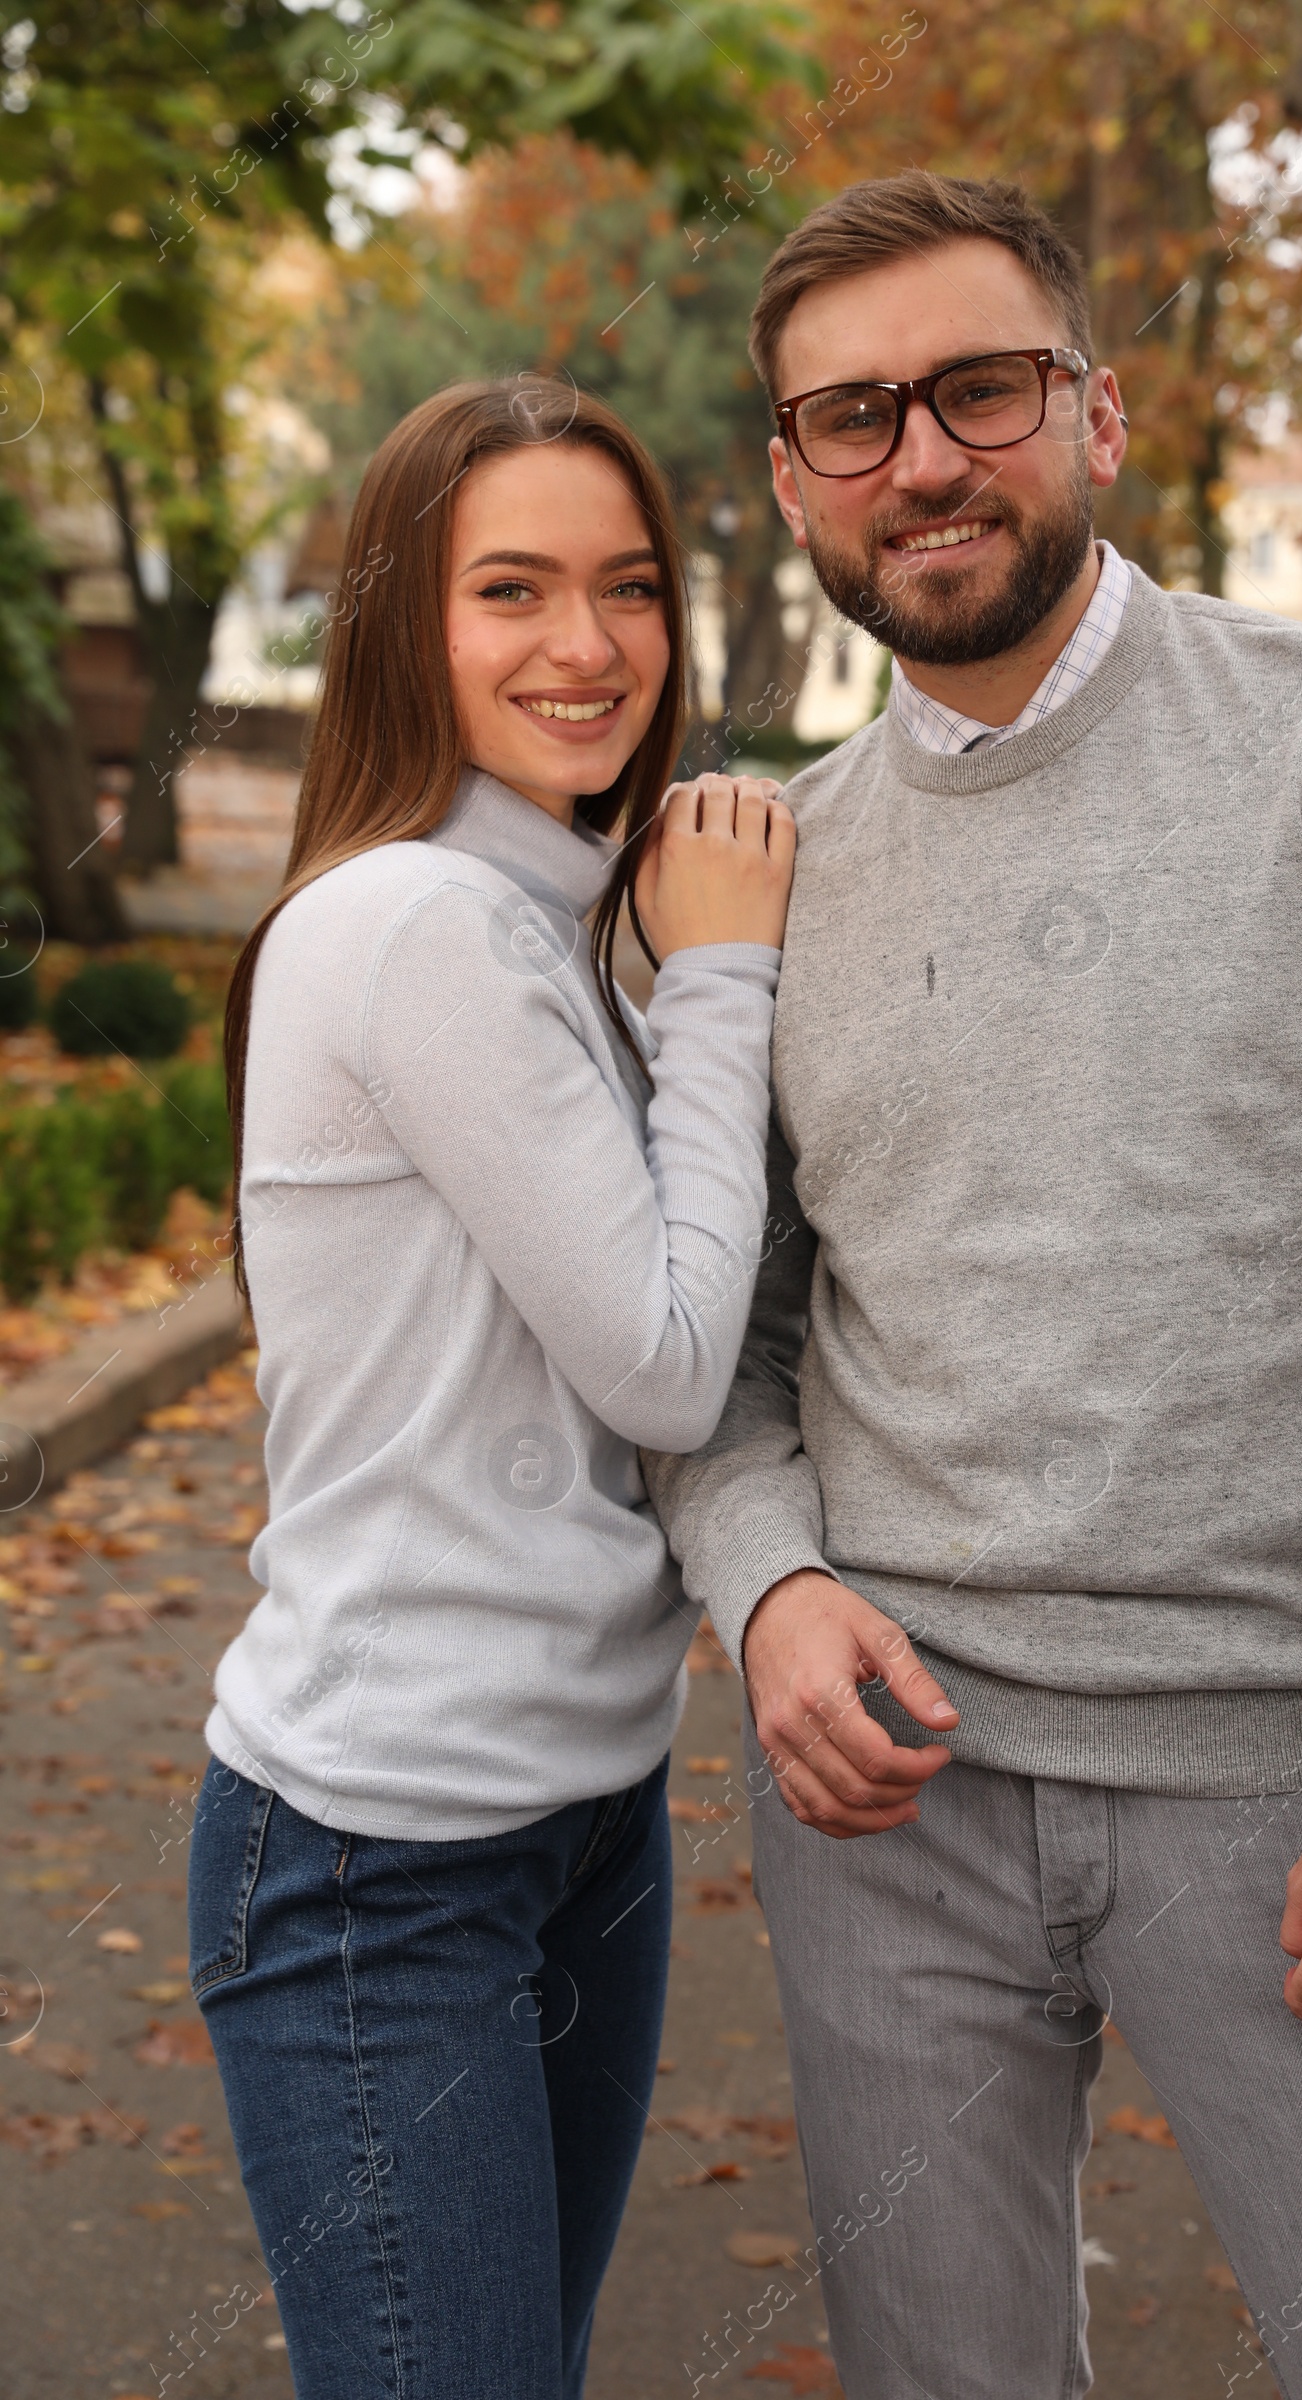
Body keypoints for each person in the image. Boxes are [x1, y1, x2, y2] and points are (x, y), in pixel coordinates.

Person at [646, 172, 1302, 2398]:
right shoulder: (770, 861)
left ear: (1091, 413)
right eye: (851, 418)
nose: (921, 461)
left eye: (974, 391)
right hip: (897, 1805)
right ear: (790, 479)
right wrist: (768, 1587)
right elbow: (720, 1340)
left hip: (1290, 1789)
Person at [188, 376, 794, 2400]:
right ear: (398, 624)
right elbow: (662, 1360)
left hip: (580, 1817)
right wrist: (719, 976)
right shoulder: (417, 922)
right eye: (509, 589)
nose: (588, 646)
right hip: (383, 1862)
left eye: (626, 587)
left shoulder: (541, 909)